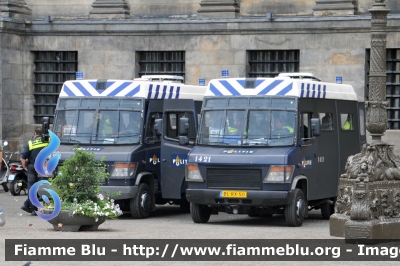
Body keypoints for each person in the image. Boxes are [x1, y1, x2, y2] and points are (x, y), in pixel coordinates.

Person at [20, 127, 49, 216]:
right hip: (43, 167)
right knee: (44, 186)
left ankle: (32, 208)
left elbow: (23, 157)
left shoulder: (30, 143)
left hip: (32, 166)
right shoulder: (47, 141)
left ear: (35, 133)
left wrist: (24, 166)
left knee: (32, 187)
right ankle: (46, 206)